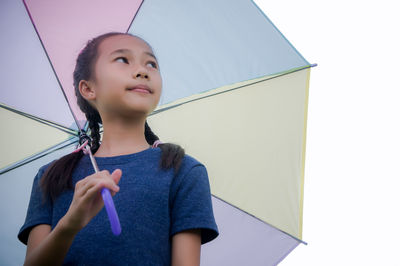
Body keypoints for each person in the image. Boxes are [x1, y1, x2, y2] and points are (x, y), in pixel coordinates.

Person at [18, 32, 219, 265]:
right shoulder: (51, 176)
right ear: (88, 89)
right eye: (123, 60)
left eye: (151, 64)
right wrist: (69, 224)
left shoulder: (182, 170)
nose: (143, 71)